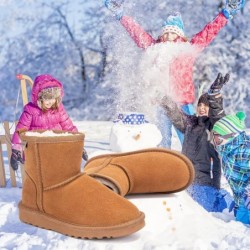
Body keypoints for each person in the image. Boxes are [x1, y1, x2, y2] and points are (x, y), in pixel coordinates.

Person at [104, 0, 245, 148]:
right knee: (162, 139)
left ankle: (194, 166)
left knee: (190, 139)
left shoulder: (187, 48)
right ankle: (164, 165)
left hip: (182, 103)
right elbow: (136, 32)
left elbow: (209, 32)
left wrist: (225, 14)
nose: (168, 35)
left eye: (172, 32)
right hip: (161, 102)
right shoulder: (154, 48)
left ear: (179, 34)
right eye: (165, 32)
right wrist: (121, 15)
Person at [160, 72, 232, 212]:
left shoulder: (213, 128)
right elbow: (175, 113)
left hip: (203, 184)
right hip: (184, 180)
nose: (202, 108)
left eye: (206, 105)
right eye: (200, 105)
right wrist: (162, 96)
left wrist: (215, 187)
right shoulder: (190, 123)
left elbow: (217, 162)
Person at [10, 74, 88, 171]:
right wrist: (16, 149)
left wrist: (78, 145)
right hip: (37, 151)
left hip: (57, 148)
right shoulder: (30, 110)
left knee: (60, 172)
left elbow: (69, 127)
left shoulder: (59, 109)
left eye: (53, 98)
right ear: (38, 97)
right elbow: (21, 129)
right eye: (46, 98)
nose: (50, 101)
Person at [212, 112, 250, 224]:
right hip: (242, 202)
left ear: (230, 136)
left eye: (218, 138)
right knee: (241, 225)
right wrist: (238, 199)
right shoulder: (228, 150)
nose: (215, 142)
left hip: (247, 201)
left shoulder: (245, 151)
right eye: (213, 137)